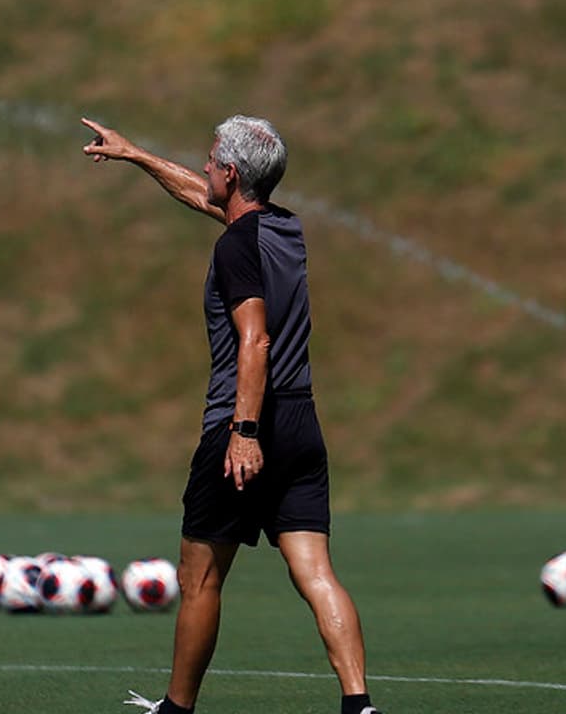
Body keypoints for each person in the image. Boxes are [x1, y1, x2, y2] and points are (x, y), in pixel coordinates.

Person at [80, 114, 382, 714]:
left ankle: (177, 709)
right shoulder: (284, 228)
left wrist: (243, 432)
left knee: (200, 579)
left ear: (234, 173)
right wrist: (136, 155)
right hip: (300, 423)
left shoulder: (235, 246)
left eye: (214, 157)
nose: (206, 163)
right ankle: (359, 705)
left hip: (243, 424)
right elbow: (199, 194)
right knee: (315, 572)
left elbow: (256, 340)